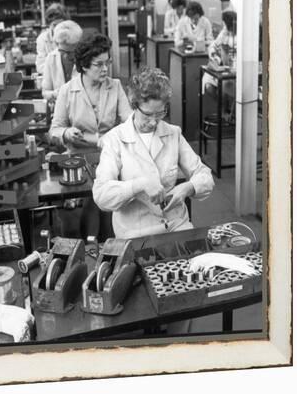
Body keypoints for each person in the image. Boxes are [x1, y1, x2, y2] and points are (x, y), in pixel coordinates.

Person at [93, 67, 214, 239]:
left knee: (196, 262)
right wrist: (139, 185)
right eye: (148, 114)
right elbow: (101, 195)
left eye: (160, 114)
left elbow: (205, 176)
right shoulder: (115, 139)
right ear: (134, 106)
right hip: (136, 232)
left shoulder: (173, 133)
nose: (153, 122)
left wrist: (187, 188)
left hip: (175, 223)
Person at [49, 30, 131, 154]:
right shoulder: (67, 90)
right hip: (78, 158)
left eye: (107, 63)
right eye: (99, 64)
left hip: (110, 154)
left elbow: (129, 121)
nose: (105, 69)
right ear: (84, 65)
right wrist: (66, 133)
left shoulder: (115, 86)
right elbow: (54, 130)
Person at [41, 20, 82, 101]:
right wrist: (55, 94)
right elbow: (45, 92)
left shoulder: (85, 59)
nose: (66, 56)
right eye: (62, 52)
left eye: (69, 53)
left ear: (77, 45)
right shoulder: (51, 58)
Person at [35, 3, 69, 74]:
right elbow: (40, 67)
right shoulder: (42, 39)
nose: (58, 28)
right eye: (54, 25)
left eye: (61, 25)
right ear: (49, 24)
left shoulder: (71, 36)